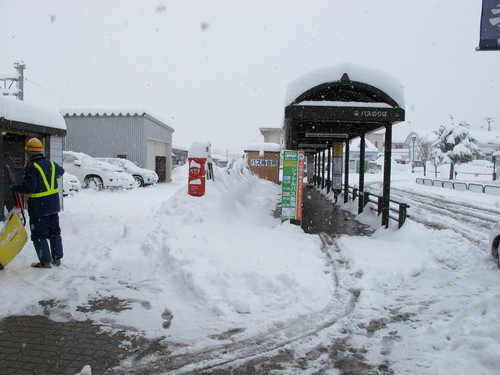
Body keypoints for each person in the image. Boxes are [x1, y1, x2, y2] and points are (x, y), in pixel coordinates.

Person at [10, 138, 65, 268]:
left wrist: (14, 187)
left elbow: (29, 188)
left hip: (39, 207)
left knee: (39, 234)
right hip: (53, 206)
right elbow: (61, 171)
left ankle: (45, 261)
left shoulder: (31, 167)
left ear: (29, 153)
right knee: (54, 232)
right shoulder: (51, 164)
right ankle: (57, 259)